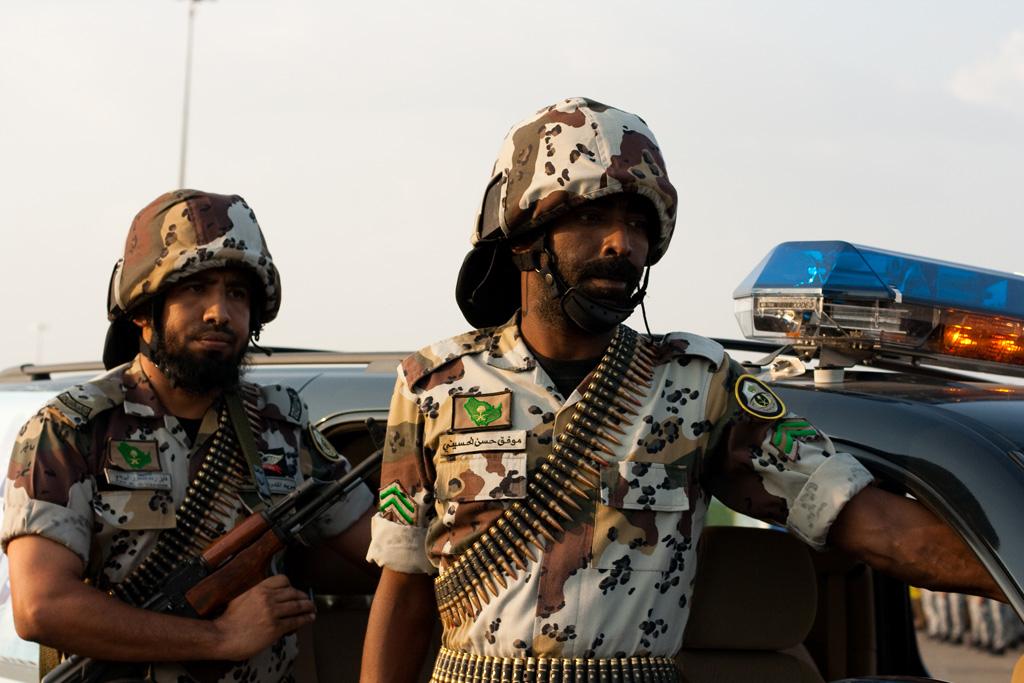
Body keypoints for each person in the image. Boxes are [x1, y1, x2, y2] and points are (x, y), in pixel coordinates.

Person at [360, 98, 1000, 683]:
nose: (624, 244)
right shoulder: (433, 386)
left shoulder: (698, 382)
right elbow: (405, 588)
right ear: (526, 236)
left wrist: (1011, 569)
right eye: (592, 216)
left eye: (639, 222)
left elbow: (867, 520)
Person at [2, 190, 375, 682]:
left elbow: (382, 550)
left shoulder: (278, 426)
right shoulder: (73, 429)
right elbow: (43, 607)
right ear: (144, 309)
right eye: (196, 288)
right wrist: (219, 637)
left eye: (237, 294)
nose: (219, 312)